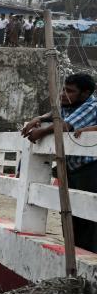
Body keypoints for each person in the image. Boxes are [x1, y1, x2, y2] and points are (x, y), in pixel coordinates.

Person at [21, 73, 97, 251]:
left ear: (85, 94)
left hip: (90, 169)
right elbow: (55, 114)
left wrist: (40, 132)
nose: (63, 93)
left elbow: (65, 125)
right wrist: (39, 119)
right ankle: (74, 252)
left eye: (69, 91)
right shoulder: (70, 105)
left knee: (88, 217)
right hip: (72, 169)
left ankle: (88, 257)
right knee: (69, 215)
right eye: (63, 89)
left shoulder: (92, 106)